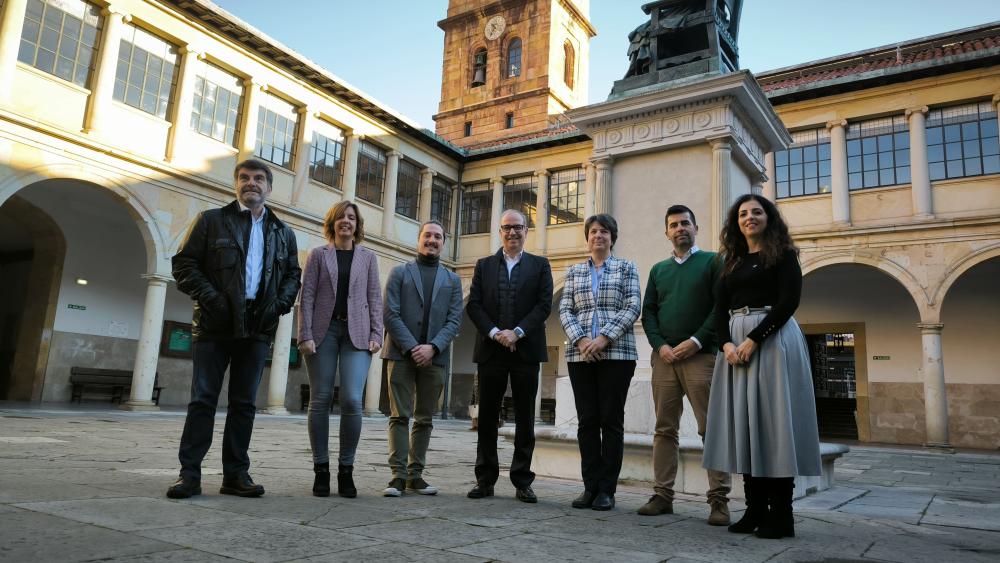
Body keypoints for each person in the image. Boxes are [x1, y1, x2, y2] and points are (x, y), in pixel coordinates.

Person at [167, 158, 301, 499]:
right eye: (244, 178)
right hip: (214, 325)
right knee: (203, 400)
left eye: (258, 179)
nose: (251, 183)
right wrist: (213, 298)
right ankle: (189, 474)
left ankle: (235, 475)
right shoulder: (211, 221)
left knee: (244, 404)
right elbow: (183, 265)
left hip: (258, 327)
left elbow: (291, 276)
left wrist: (278, 305)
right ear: (236, 184)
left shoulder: (283, 233)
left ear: (269, 188)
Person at [703, 194, 822, 539]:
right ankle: (754, 510)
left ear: (769, 218)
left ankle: (782, 515)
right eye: (742, 213)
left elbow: (788, 301)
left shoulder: (783, 255)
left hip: (772, 342)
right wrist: (725, 343)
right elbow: (718, 309)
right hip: (734, 349)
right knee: (746, 427)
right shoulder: (731, 261)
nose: (749, 217)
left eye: (756, 212)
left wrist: (754, 339)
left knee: (774, 426)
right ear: (735, 222)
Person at [638, 204, 731, 524]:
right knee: (665, 429)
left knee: (711, 428)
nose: (680, 228)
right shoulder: (659, 270)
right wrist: (660, 345)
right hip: (664, 360)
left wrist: (696, 341)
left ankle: (719, 500)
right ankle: (663, 495)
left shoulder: (712, 262)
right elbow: (648, 311)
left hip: (702, 358)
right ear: (667, 232)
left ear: (695, 228)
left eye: (685, 223)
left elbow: (721, 306)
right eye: (674, 225)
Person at [465, 209, 553, 503]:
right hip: (491, 351)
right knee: (487, 418)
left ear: (526, 231)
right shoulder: (484, 265)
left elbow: (543, 306)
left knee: (526, 417)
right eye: (507, 228)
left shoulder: (540, 265)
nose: (513, 232)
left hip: (525, 351)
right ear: (499, 231)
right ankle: (485, 480)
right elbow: (474, 305)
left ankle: (522, 481)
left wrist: (516, 332)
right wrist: (496, 333)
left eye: (518, 227)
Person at [297, 200, 383, 498]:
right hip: (323, 332)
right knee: (320, 398)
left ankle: (346, 470)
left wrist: (376, 333)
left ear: (357, 225)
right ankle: (321, 469)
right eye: (341, 217)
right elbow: (306, 296)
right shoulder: (318, 256)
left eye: (352, 218)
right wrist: (304, 334)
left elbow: (374, 297)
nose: (346, 221)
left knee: (350, 399)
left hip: (357, 334)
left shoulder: (368, 258)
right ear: (332, 223)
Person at [558, 214, 640, 511]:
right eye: (593, 231)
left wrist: (603, 338)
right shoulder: (575, 271)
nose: (598, 236)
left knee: (611, 421)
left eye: (604, 231)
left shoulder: (627, 267)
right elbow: (565, 310)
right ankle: (590, 487)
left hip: (617, 355)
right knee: (587, 422)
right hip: (580, 355)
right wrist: (581, 340)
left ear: (612, 237)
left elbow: (633, 306)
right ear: (587, 237)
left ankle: (607, 490)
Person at [381, 220, 463, 497]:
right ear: (419, 239)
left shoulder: (452, 280)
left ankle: (415, 476)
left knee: (425, 418)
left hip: (435, 358)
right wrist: (413, 347)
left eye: (438, 236)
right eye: (427, 235)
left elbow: (454, 321)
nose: (432, 240)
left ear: (443, 243)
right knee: (399, 416)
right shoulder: (399, 273)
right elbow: (390, 314)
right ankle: (397, 476)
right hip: (401, 354)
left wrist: (433, 348)